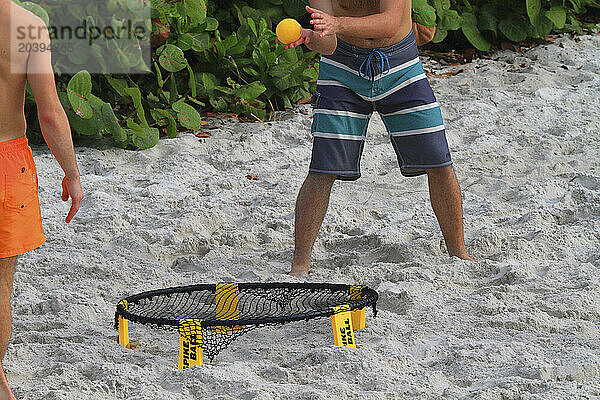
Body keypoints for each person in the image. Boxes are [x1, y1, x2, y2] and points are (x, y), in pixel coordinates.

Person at [285, 0, 473, 278]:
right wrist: (313, 37)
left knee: (438, 160)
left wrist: (336, 23)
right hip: (341, 71)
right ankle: (300, 264)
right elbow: (330, 44)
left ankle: (459, 252)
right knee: (322, 168)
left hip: (401, 66)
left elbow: (389, 24)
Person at [1, 2, 83, 398]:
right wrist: (72, 172)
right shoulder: (28, 26)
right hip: (8, 160)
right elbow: (50, 113)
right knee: (1, 284)